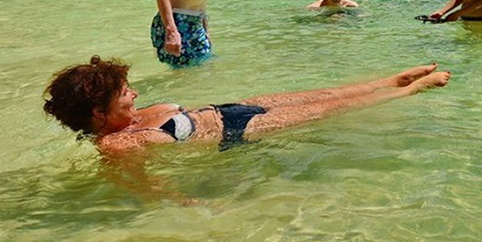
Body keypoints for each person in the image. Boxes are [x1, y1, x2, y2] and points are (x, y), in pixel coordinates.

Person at [43, 56, 451, 156]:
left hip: (230, 108)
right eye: (125, 93)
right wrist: (186, 204)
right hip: (239, 131)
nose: (133, 95)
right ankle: (410, 90)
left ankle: (389, 80)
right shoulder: (116, 145)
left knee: (325, 95)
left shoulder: (126, 120)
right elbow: (144, 187)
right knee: (334, 111)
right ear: (99, 114)